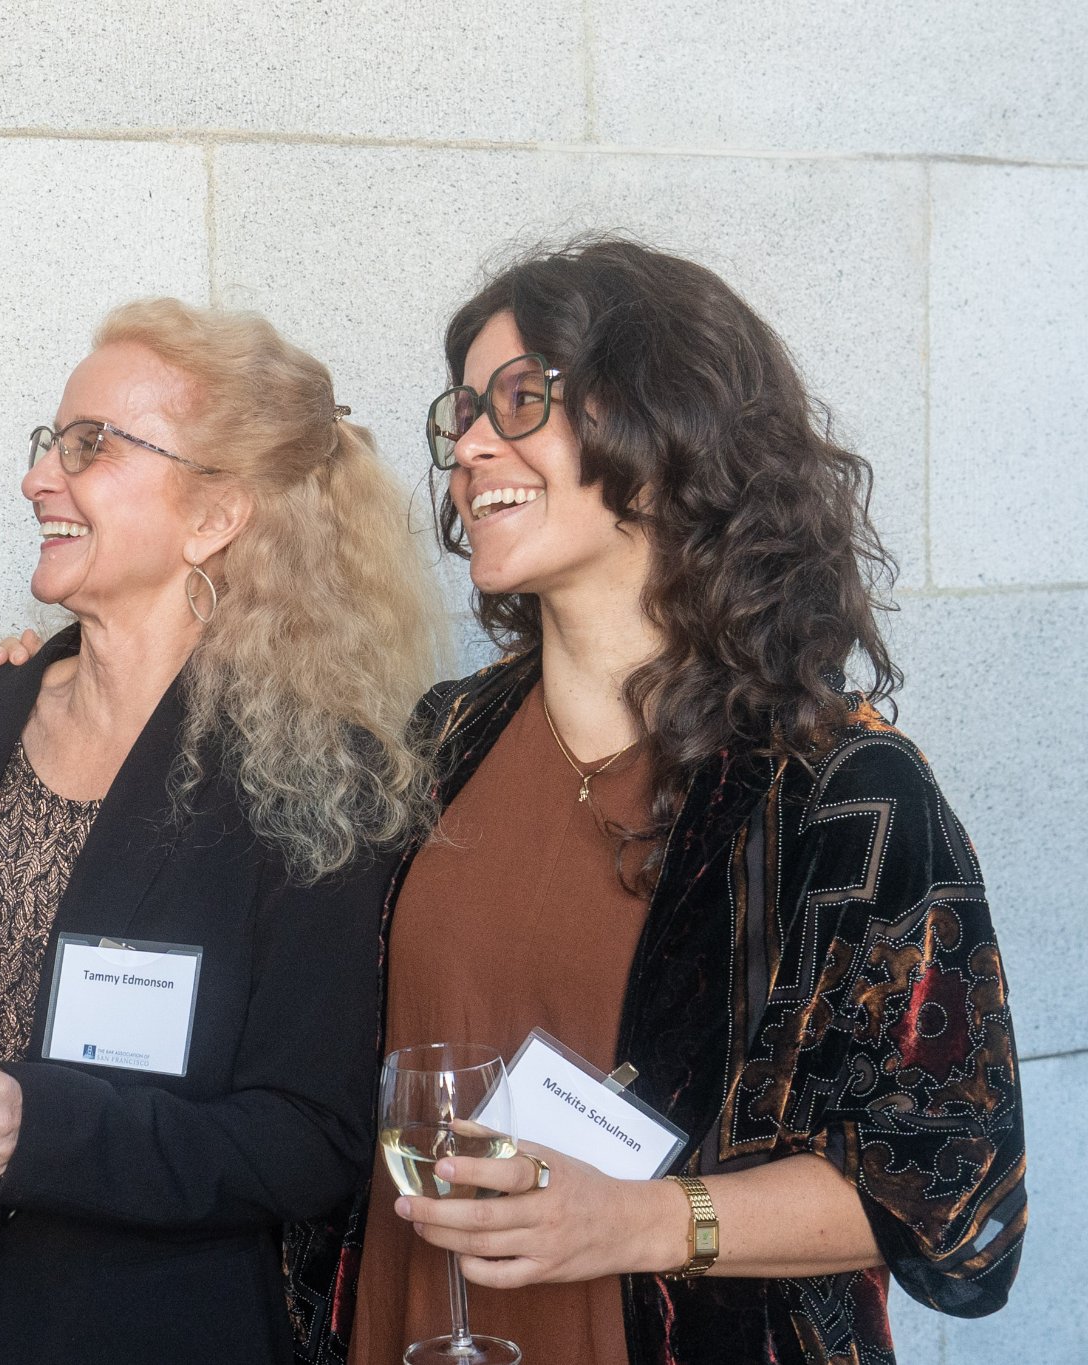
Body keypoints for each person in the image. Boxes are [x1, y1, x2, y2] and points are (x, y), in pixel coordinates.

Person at [326, 238, 1025, 1365]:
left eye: (519, 401)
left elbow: (952, 1201)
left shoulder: (840, 792)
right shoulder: (440, 743)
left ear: (659, 438)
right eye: (460, 413)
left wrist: (640, 1220)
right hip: (409, 1332)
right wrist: (48, 681)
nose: (465, 448)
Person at [0, 298, 448, 1365]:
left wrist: (36, 1128)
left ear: (213, 518)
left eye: (89, 447)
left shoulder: (318, 785)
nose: (36, 478)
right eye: (48, 442)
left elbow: (311, 1141)